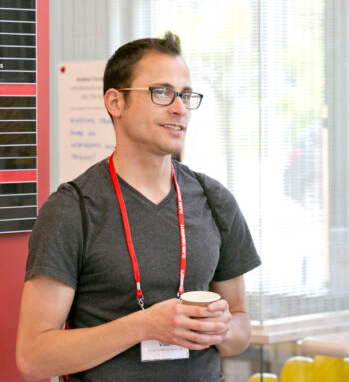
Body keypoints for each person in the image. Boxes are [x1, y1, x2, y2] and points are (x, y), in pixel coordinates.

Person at [16, 32, 261, 381]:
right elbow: (33, 356)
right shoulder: (73, 209)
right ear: (115, 103)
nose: (180, 108)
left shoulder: (214, 200)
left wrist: (221, 329)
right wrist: (145, 326)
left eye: (186, 95)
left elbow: (240, 328)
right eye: (162, 93)